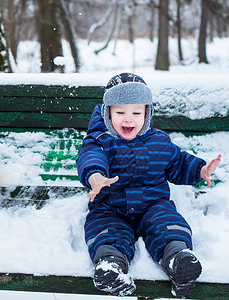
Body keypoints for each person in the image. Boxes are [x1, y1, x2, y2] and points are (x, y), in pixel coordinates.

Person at [77, 73, 221, 297]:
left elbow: (178, 162)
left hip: (153, 203)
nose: (129, 119)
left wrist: (200, 170)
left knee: (167, 222)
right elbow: (91, 157)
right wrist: (95, 176)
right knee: (105, 230)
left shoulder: (159, 141)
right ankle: (111, 266)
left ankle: (177, 258)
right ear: (107, 114)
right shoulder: (100, 141)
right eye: (120, 112)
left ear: (147, 113)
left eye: (136, 112)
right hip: (111, 205)